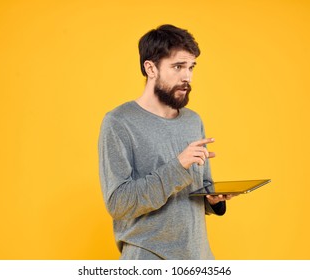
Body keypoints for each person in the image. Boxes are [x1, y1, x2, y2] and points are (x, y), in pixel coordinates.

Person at [98, 24, 235, 260]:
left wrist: (212, 199)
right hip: (149, 257)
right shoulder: (119, 122)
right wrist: (177, 166)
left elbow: (197, 188)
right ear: (150, 68)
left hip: (198, 256)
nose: (187, 76)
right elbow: (119, 204)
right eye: (178, 66)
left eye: (191, 67)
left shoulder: (193, 120)